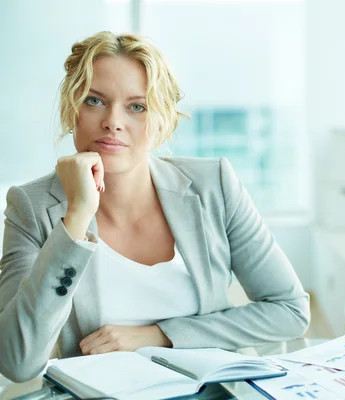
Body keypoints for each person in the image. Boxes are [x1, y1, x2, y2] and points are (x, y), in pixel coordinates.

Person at [0, 31, 310, 383]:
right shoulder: (33, 206)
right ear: (72, 110)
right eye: (94, 100)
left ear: (161, 119)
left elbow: (289, 310)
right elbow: (17, 361)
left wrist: (158, 335)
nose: (113, 121)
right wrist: (75, 219)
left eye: (137, 106)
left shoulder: (215, 184)